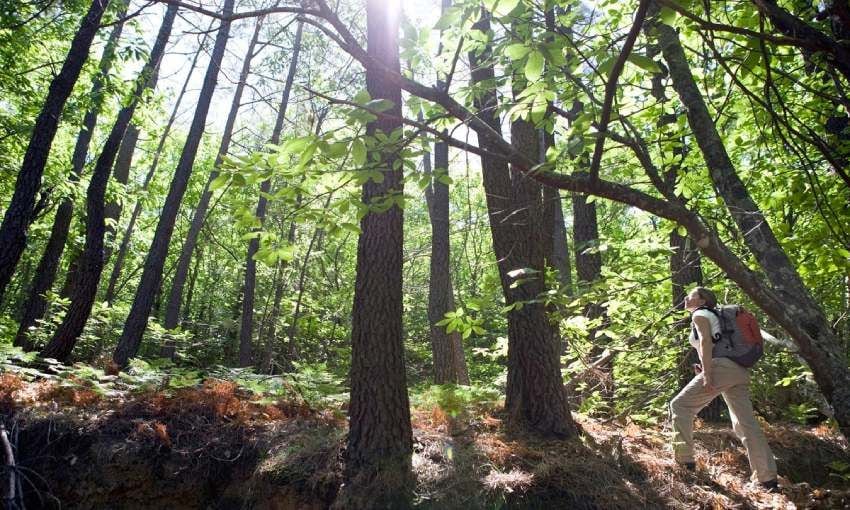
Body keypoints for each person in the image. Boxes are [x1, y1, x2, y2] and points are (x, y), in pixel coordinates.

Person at [670, 286, 779, 491]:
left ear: (702, 301)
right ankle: (767, 478)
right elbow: (718, 342)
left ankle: (685, 461)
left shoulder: (700, 314)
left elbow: (705, 342)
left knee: (680, 406)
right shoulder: (715, 316)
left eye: (691, 295)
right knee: (746, 424)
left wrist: (708, 374)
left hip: (722, 368)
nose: (686, 297)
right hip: (738, 370)